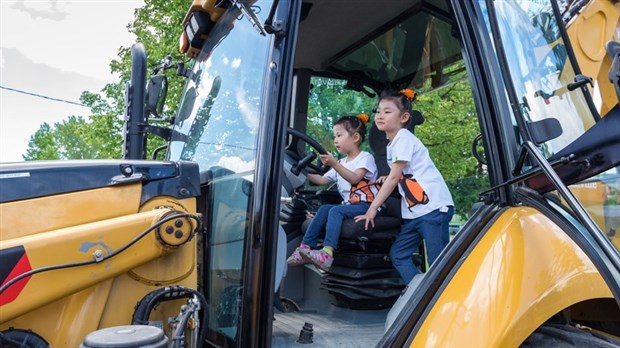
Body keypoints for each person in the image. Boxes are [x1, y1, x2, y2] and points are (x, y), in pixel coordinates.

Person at [354, 89, 454, 284]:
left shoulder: (404, 138)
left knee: (439, 263)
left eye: (387, 111)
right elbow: (399, 175)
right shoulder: (392, 145)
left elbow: (394, 178)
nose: (380, 115)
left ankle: (443, 303)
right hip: (414, 212)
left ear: (404, 117)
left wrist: (372, 208)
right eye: (378, 111)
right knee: (398, 254)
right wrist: (388, 177)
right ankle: (418, 294)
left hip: (433, 208)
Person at [287, 114, 379, 271]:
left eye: (339, 135)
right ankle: (305, 248)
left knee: (336, 211)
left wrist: (335, 164)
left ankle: (327, 253)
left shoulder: (365, 158)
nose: (335, 140)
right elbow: (322, 180)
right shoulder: (342, 162)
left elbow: (355, 179)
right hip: (349, 205)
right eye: (334, 136)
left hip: (366, 205)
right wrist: (301, 170)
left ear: (355, 137)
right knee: (324, 209)